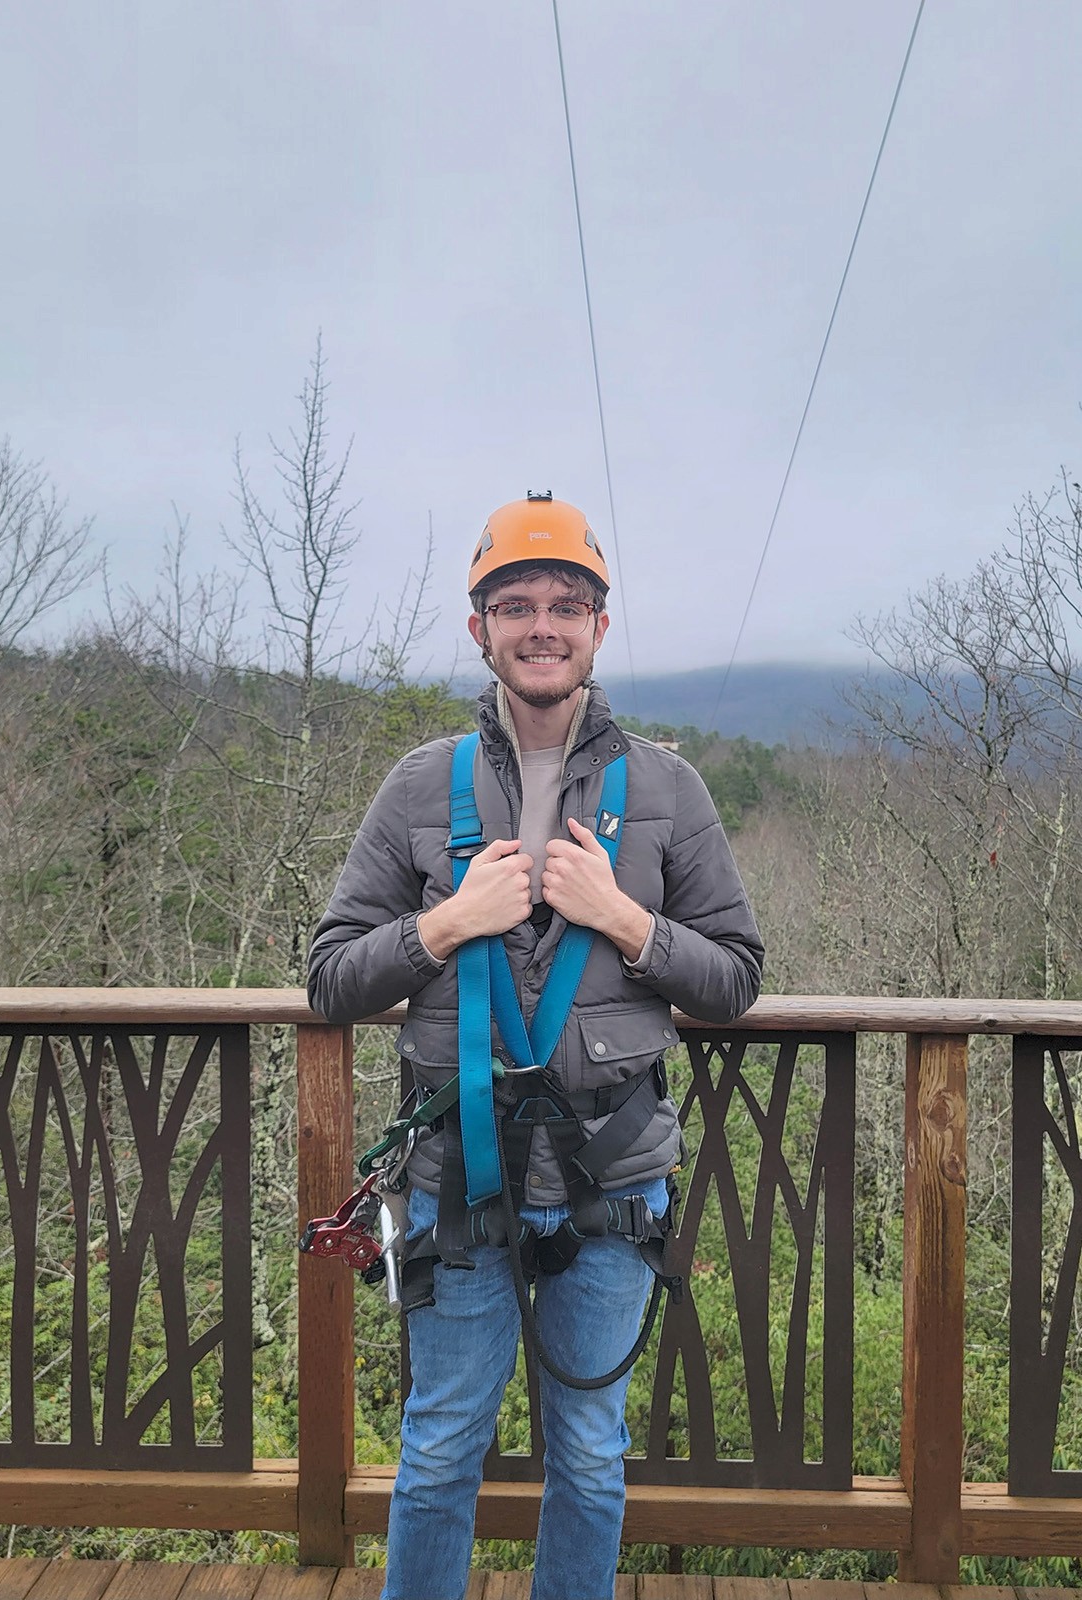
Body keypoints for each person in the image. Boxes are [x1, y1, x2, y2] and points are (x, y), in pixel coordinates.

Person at [307, 491, 763, 1600]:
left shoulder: (668, 789)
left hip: (613, 1179)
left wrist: (627, 921)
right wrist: (445, 925)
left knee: (592, 1459)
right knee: (438, 1451)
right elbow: (329, 978)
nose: (542, 625)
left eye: (566, 604)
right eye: (516, 605)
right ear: (481, 630)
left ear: (600, 626)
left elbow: (736, 979)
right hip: (457, 1176)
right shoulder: (420, 785)